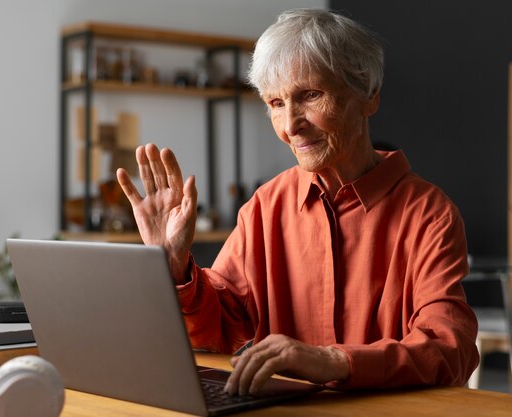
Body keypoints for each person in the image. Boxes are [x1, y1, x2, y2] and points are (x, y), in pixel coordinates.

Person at [116, 8, 479, 396]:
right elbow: (219, 329)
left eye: (309, 96)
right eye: (275, 104)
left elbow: (449, 350)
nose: (290, 126)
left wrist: (335, 361)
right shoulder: (265, 206)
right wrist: (174, 267)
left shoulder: (429, 214)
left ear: (368, 96)